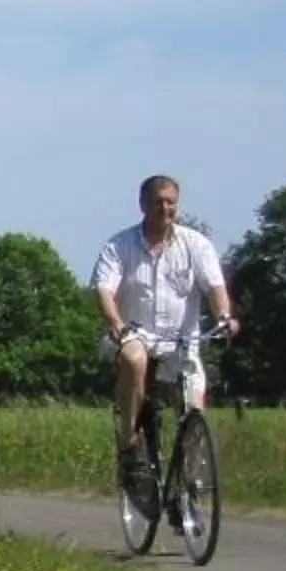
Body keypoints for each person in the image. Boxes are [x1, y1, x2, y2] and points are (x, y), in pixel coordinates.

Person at [91, 174, 238, 493]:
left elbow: (215, 287)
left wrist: (224, 316)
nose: (165, 208)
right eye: (158, 202)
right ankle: (129, 443)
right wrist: (115, 322)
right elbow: (104, 289)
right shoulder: (120, 246)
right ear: (142, 204)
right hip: (135, 333)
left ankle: (189, 479)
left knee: (194, 406)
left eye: (171, 202)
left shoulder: (195, 245)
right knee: (134, 358)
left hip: (180, 341)